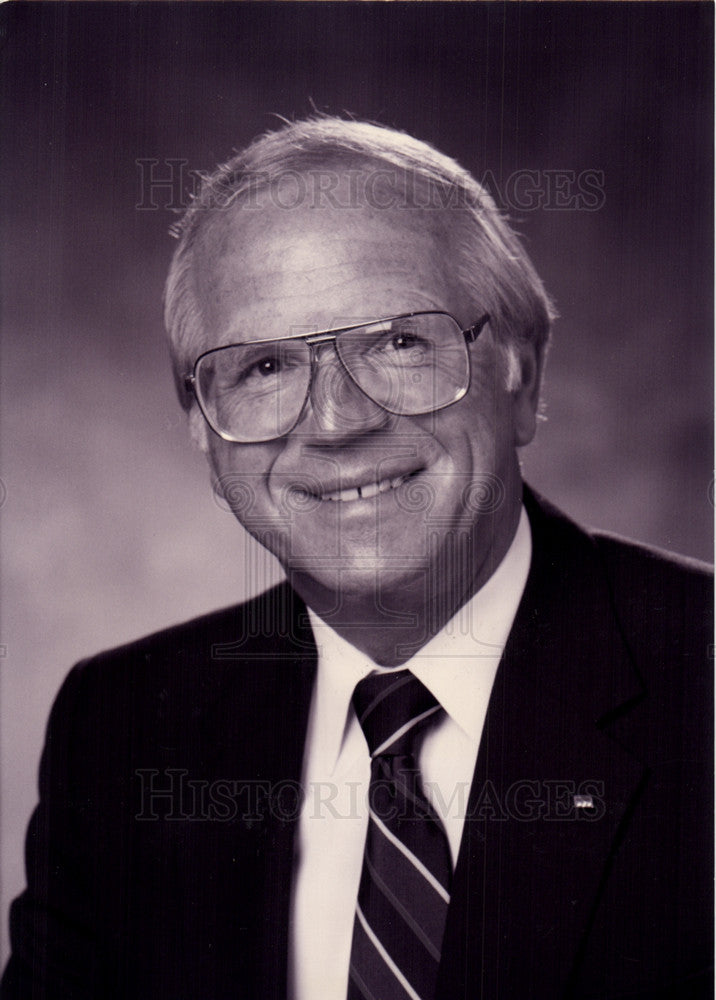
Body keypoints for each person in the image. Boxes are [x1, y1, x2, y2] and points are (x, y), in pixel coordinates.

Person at [2, 117, 712, 1000]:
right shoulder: (122, 729)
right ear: (202, 428)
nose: (337, 422)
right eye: (264, 366)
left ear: (521, 372)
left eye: (399, 341)